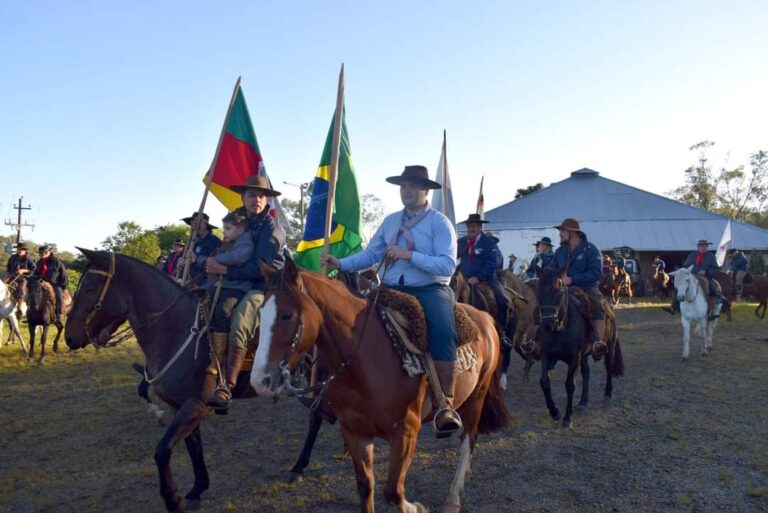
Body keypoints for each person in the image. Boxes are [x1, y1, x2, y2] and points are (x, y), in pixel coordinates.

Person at [321, 165, 462, 439]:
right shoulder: (390, 221)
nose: (406, 190)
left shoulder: (439, 223)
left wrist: (409, 255)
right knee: (353, 325)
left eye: (412, 186)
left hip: (429, 289)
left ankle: (446, 403)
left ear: (425, 190)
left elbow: (447, 266)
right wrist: (341, 262)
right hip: (388, 288)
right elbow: (371, 254)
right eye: (403, 186)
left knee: (443, 331)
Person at [205, 175, 286, 402]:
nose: (257, 200)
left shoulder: (272, 229)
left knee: (240, 322)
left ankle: (226, 385)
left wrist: (224, 270)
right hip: (239, 283)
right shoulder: (242, 222)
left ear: (267, 200)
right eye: (252, 195)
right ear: (243, 197)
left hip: (265, 286)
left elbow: (262, 268)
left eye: (261, 195)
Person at [204, 211, 254, 410]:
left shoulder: (245, 242)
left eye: (228, 228)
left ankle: (219, 360)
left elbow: (240, 258)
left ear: (240, 229)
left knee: (224, 312)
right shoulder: (229, 243)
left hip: (238, 288)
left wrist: (220, 260)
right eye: (224, 228)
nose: (224, 232)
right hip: (222, 286)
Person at [552, 218, 607, 357]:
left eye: (563, 230)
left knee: (597, 305)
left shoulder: (591, 249)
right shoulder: (559, 251)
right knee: (545, 303)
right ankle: (538, 340)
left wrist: (572, 279)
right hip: (563, 288)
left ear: (572, 232)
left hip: (586, 288)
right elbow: (552, 268)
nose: (560, 233)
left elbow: (596, 272)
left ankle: (598, 342)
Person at [457, 213, 510, 347]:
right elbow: (453, 257)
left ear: (480, 227)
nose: (471, 229)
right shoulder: (461, 242)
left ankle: (502, 332)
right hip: (463, 278)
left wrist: (478, 277)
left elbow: (492, 263)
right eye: (469, 226)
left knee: (503, 301)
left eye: (474, 226)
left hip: (486, 279)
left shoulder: (489, 243)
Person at [662, 240, 724, 319]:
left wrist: (706, 271)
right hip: (691, 276)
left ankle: (710, 312)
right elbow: (686, 266)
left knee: (713, 290)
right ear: (698, 247)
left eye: (705, 246)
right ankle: (672, 307)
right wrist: (687, 272)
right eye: (701, 246)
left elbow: (715, 269)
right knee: (680, 286)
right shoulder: (692, 255)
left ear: (707, 247)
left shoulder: (711, 257)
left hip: (705, 277)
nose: (703, 247)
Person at [182, 212, 222, 286]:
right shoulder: (191, 242)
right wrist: (181, 263)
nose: (193, 225)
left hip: (204, 287)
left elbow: (217, 267)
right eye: (192, 223)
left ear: (205, 224)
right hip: (188, 285)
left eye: (197, 222)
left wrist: (196, 259)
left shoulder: (215, 242)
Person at [34, 245, 68, 326]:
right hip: (41, 282)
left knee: (59, 297)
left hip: (55, 284)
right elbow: (36, 273)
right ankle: (32, 314)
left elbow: (63, 274)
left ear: (49, 252)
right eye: (41, 253)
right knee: (32, 293)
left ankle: (59, 316)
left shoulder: (56, 261)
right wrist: (36, 279)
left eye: (44, 252)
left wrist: (64, 286)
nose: (42, 254)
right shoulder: (39, 262)